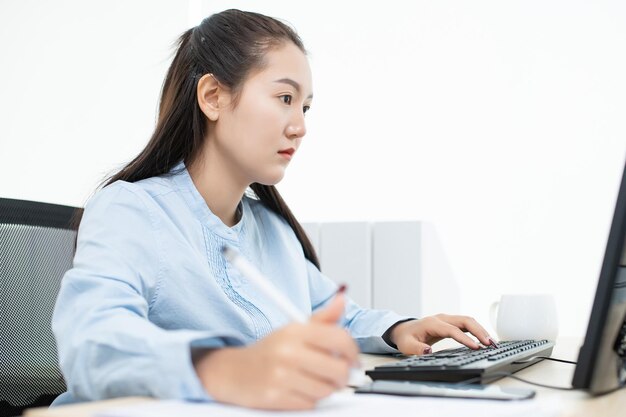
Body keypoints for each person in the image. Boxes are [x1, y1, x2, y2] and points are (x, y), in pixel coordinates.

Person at [52, 9, 495, 410]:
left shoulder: (271, 230)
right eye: (285, 98)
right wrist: (227, 369)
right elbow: (93, 346)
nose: (300, 126)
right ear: (212, 97)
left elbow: (339, 315)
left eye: (305, 107)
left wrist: (401, 329)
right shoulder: (131, 210)